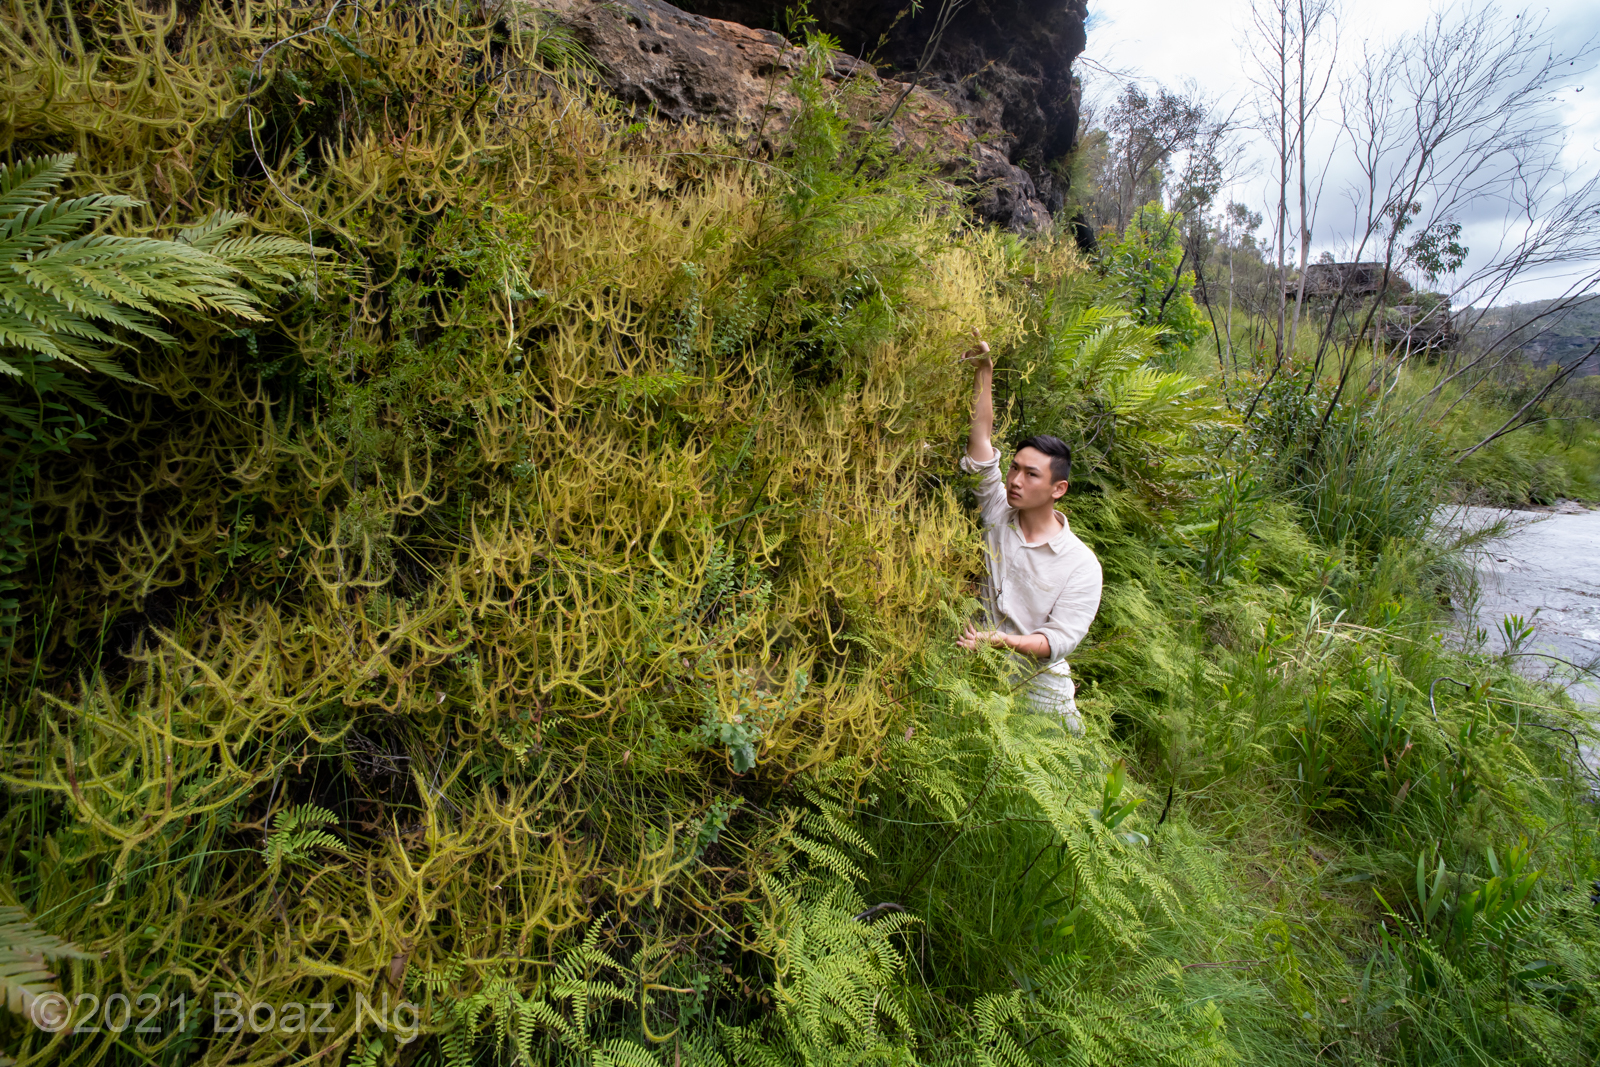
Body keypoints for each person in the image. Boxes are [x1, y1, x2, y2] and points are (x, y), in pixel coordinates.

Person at [954, 330, 1103, 732]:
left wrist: (997, 640)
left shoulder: (1080, 565)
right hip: (978, 674)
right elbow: (981, 440)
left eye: (1030, 474)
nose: (1015, 480)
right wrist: (984, 372)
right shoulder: (999, 510)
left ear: (1058, 489)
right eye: (1015, 468)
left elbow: (1055, 643)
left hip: (1040, 697)